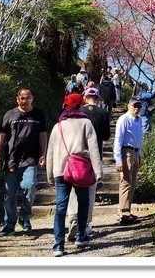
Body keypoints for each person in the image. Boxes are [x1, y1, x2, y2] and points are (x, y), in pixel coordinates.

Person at [46, 92, 103, 257]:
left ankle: (58, 245)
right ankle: (81, 236)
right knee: (83, 202)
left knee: (60, 207)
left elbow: (50, 152)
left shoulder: (58, 126)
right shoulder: (86, 123)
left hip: (60, 170)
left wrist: (50, 175)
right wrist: (98, 172)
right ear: (79, 106)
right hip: (80, 170)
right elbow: (93, 148)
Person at [0, 88, 48, 236]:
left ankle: (25, 218)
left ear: (32, 98)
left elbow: (42, 135)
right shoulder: (10, 114)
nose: (24, 100)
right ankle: (9, 224)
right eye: (22, 98)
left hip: (30, 160)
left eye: (27, 98)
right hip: (12, 160)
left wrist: (43, 154)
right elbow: (1, 136)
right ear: (17, 99)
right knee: (9, 194)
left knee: (30, 186)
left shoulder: (38, 114)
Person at [67, 87, 111, 242]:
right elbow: (106, 136)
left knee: (73, 189)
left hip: (75, 155)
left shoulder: (77, 113)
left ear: (84, 98)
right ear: (98, 99)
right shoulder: (103, 113)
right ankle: (85, 223)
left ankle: (73, 218)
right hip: (94, 155)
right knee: (90, 191)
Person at [113, 95, 144, 224]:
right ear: (129, 106)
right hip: (126, 152)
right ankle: (124, 213)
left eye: (139, 106)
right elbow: (118, 140)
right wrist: (118, 159)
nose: (137, 108)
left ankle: (127, 210)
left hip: (135, 152)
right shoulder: (123, 119)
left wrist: (140, 154)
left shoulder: (139, 120)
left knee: (132, 183)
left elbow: (139, 138)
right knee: (126, 182)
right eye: (135, 106)